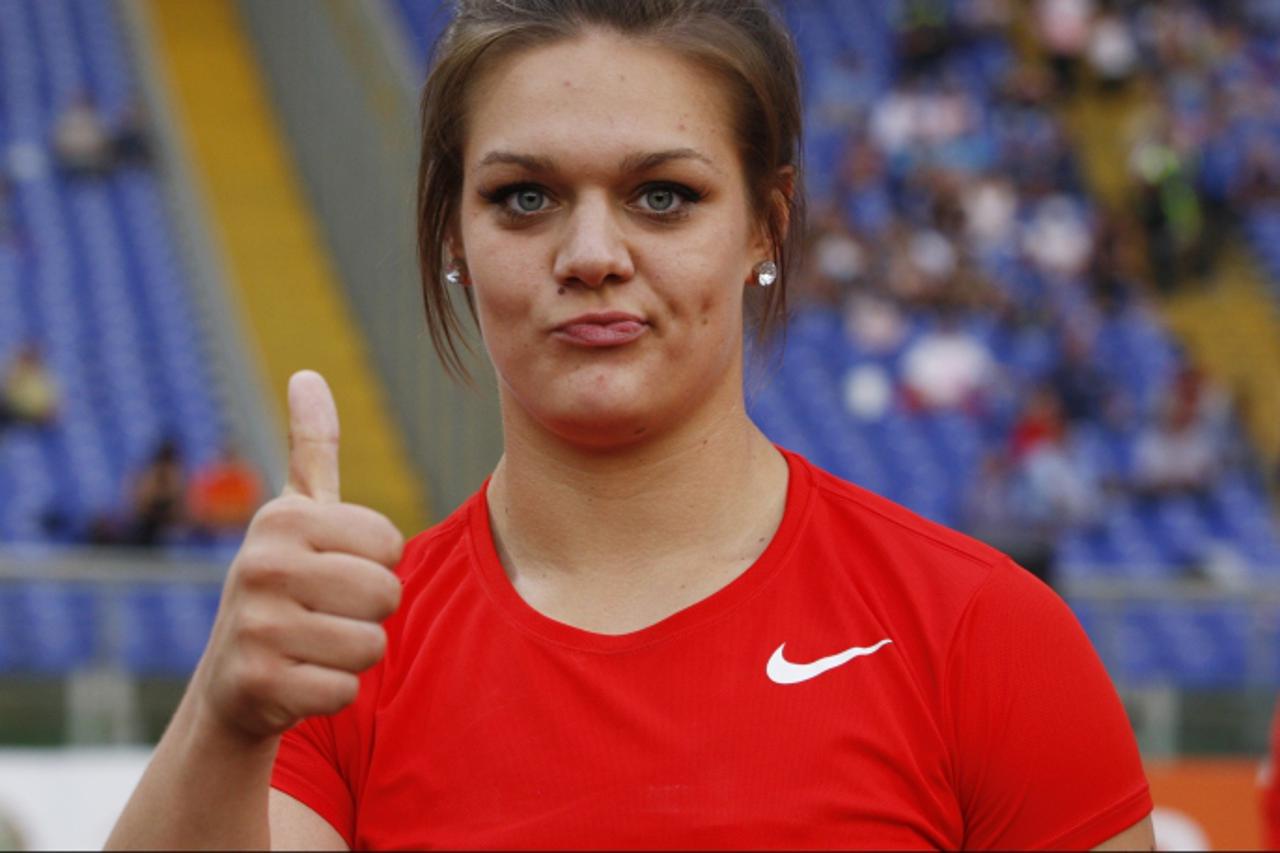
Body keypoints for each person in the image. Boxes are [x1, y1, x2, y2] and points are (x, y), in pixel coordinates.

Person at [108, 1, 1154, 849]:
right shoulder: (343, 663)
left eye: (661, 196)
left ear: (764, 227)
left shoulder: (978, 637)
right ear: (451, 237)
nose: (591, 252)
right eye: (524, 198)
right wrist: (223, 711)